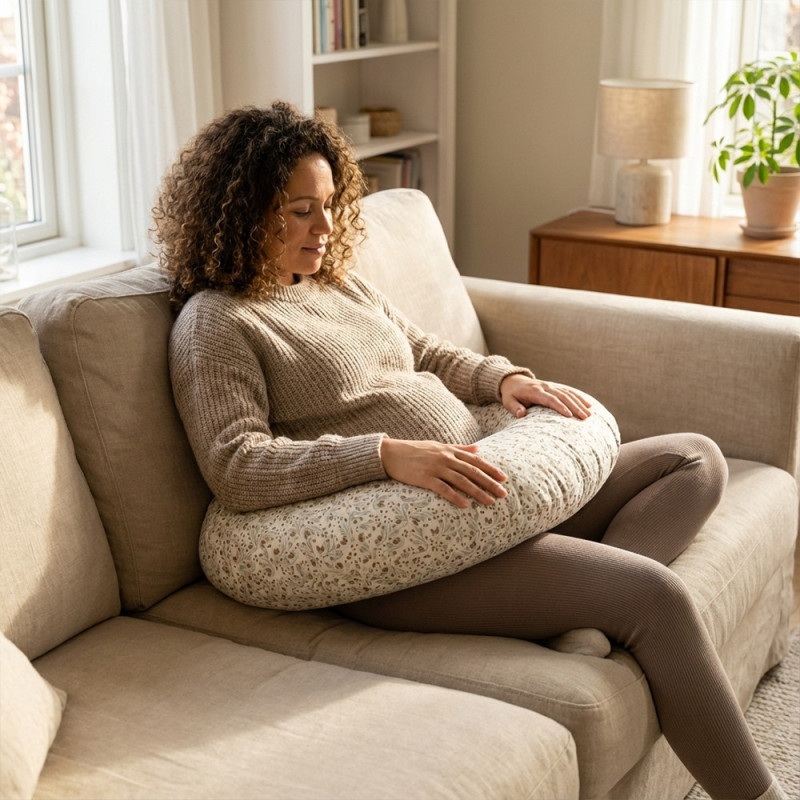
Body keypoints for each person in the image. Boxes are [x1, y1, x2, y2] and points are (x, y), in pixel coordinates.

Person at [153, 102, 787, 800]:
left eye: (329, 205)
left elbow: (423, 351)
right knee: (654, 597)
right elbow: (236, 463)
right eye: (302, 211)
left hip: (487, 489)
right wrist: (384, 455)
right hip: (405, 551)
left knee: (694, 460)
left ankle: (575, 615)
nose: (325, 227)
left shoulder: (333, 281)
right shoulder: (217, 323)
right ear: (244, 213)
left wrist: (503, 379)